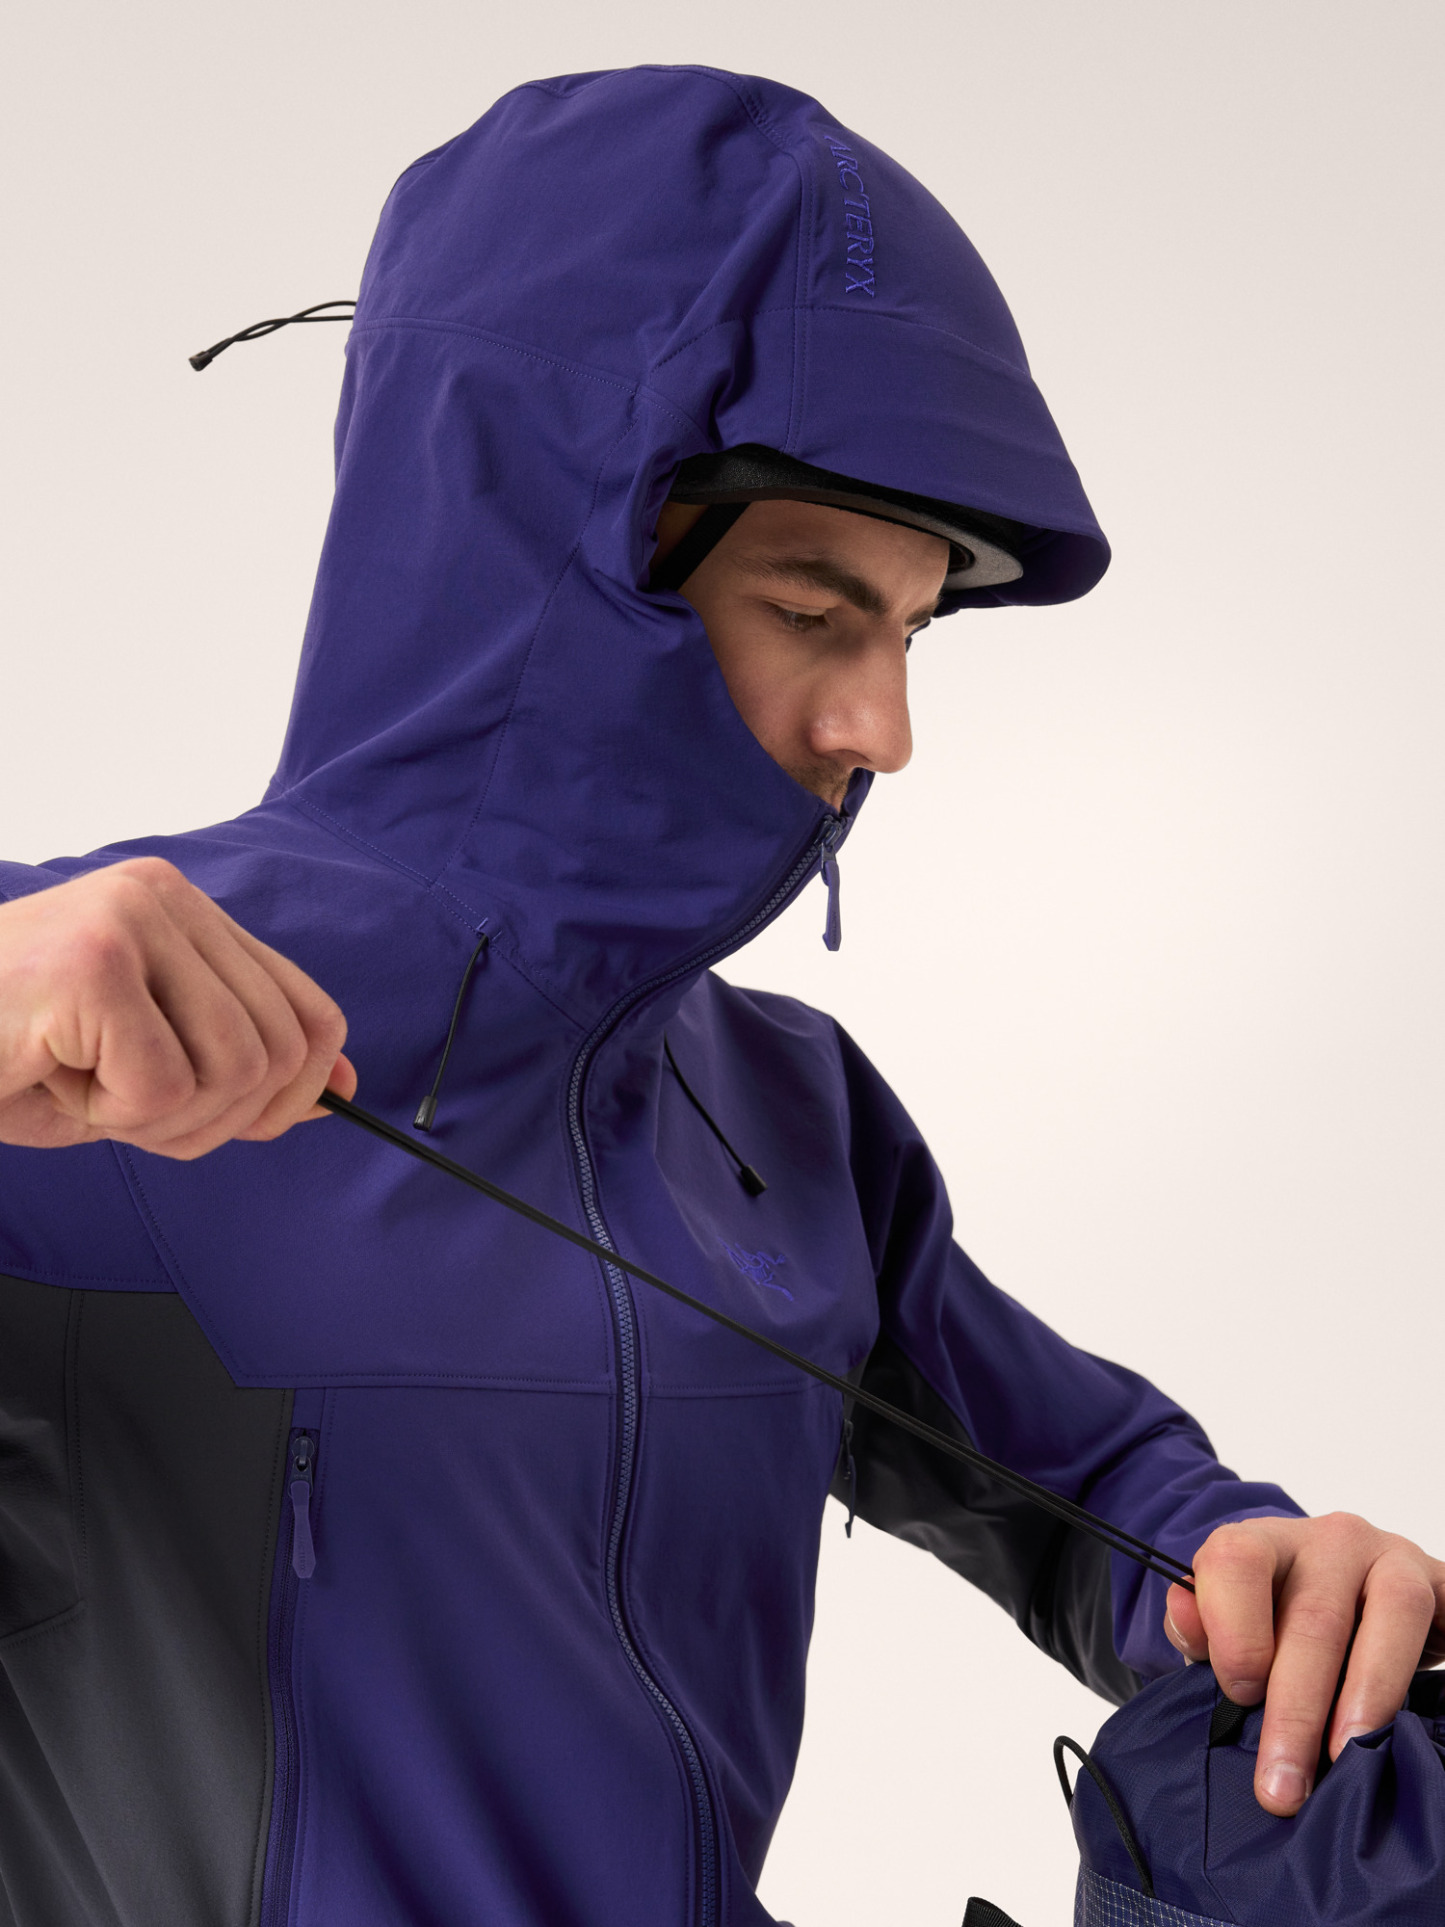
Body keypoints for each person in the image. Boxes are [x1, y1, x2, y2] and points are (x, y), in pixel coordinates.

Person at [0, 64, 1438, 1927]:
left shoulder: (788, 1111)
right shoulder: (74, 1026)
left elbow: (1088, 1487)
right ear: (546, 565)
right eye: (814, 614)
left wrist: (1257, 1566)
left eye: (910, 633)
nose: (883, 730)